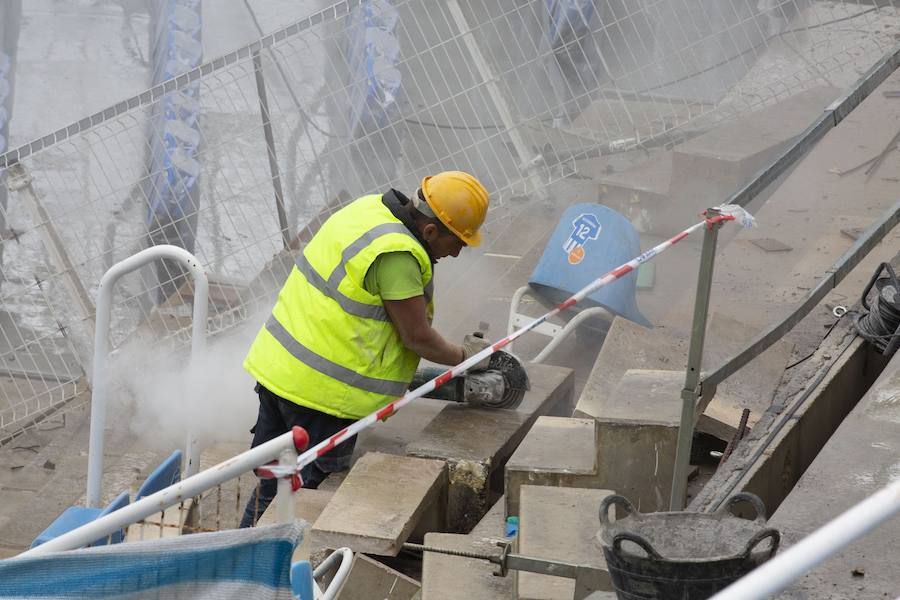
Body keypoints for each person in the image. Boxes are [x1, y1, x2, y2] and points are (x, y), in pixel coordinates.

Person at [239, 171, 491, 527]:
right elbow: (416, 336)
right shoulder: (397, 256)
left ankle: (237, 563)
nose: (459, 251)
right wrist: (468, 358)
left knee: (276, 488)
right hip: (321, 400)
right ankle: (271, 573)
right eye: (459, 241)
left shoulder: (369, 211)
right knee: (303, 501)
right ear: (431, 231)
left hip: (281, 374)